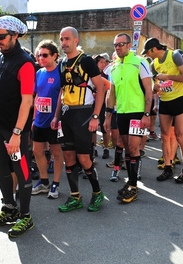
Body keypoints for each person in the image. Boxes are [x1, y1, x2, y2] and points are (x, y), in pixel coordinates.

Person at [0, 15, 35, 238]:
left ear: (15, 35)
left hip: (17, 130)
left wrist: (16, 134)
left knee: (21, 170)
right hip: (0, 125)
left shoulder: (25, 62)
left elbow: (27, 101)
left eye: (2, 37)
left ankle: (26, 216)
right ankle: (10, 208)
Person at [51, 26, 105, 212]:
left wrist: (95, 116)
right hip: (67, 114)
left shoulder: (87, 61)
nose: (63, 43)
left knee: (83, 158)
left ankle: (97, 193)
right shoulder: (62, 63)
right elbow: (61, 91)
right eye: (61, 39)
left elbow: (102, 88)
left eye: (67, 39)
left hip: (83, 113)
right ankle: (75, 197)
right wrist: (56, 116)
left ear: (76, 41)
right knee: (68, 156)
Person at [104, 33, 152, 203]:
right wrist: (108, 116)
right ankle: (131, 182)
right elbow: (111, 93)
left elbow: (148, 89)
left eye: (121, 44)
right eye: (115, 44)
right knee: (125, 148)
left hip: (137, 112)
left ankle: (133, 185)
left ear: (129, 45)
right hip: (122, 113)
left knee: (133, 148)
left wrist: (147, 114)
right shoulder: (114, 66)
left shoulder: (140, 62)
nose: (118, 47)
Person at [141, 37, 183, 183]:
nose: (147, 55)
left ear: (154, 49)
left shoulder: (174, 55)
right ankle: (167, 167)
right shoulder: (154, 64)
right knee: (164, 136)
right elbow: (154, 83)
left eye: (148, 52)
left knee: (180, 136)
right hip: (164, 100)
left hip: (178, 99)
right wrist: (155, 87)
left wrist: (168, 76)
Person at [31, 39, 63, 199]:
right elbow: (37, 96)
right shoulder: (39, 73)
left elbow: (62, 96)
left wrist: (57, 117)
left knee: (56, 152)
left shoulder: (61, 72)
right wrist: (33, 119)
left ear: (54, 55)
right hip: (39, 120)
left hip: (54, 121)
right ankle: (44, 182)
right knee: (37, 151)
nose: (41, 58)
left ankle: (55, 184)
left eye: (44, 55)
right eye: (39, 55)